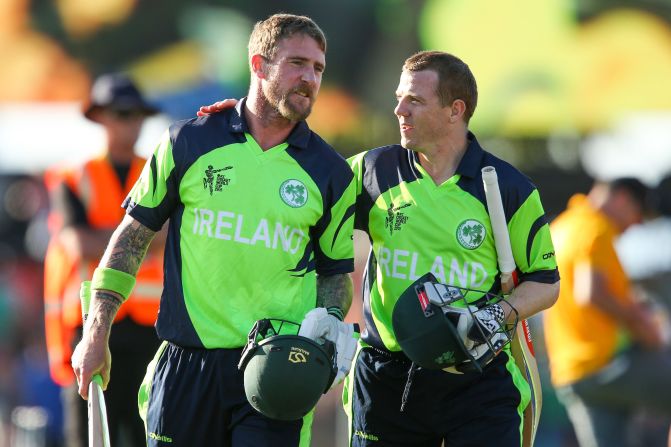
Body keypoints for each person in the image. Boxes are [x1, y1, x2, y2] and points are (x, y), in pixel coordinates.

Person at [201, 49, 560, 446]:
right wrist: (248, 118)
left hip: (477, 381)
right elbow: (294, 182)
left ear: (455, 110)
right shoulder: (372, 170)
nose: (399, 110)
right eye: (398, 98)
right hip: (387, 378)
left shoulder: (509, 189)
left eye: (415, 101)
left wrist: (495, 314)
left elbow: (546, 283)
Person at [70, 13, 356, 447]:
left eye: (318, 68)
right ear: (259, 65)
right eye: (297, 63)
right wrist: (96, 331)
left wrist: (330, 323)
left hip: (274, 370)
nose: (310, 78)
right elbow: (131, 238)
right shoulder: (188, 141)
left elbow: (335, 273)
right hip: (186, 365)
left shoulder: (332, 172)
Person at [43, 73, 164, 447]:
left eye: (135, 114)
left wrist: (108, 237)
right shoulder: (72, 176)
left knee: (147, 428)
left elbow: (165, 238)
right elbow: (77, 243)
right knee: (89, 431)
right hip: (90, 322)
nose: (129, 123)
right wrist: (138, 237)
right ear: (101, 118)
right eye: (121, 113)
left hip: (149, 326)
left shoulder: (159, 171)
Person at [544, 178, 671, 447]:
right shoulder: (596, 227)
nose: (635, 225)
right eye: (638, 216)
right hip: (607, 364)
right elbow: (591, 291)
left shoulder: (560, 227)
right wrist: (642, 325)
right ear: (622, 198)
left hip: (572, 373)